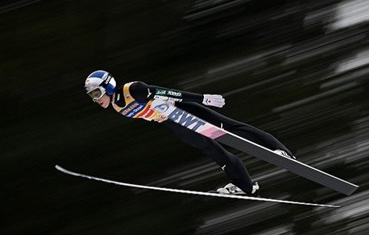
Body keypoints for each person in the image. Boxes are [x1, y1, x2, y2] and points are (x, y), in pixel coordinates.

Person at [83, 69, 295, 196]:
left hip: (182, 109)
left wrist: (201, 98)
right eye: (92, 96)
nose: (95, 98)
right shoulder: (117, 107)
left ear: (108, 86)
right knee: (211, 149)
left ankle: (280, 151)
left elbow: (166, 92)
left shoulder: (132, 90)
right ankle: (245, 186)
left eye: (96, 92)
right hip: (171, 122)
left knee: (229, 127)